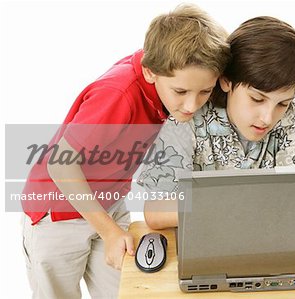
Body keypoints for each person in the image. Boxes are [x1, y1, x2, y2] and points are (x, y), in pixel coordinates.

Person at [21, 4, 230, 299]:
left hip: (109, 202)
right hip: (57, 215)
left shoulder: (168, 68)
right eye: (181, 92)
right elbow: (60, 165)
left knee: (125, 289)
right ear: (149, 72)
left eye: (204, 92)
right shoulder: (117, 96)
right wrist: (108, 231)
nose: (192, 105)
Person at [138, 16, 295, 230]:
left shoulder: (291, 118)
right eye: (257, 99)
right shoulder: (188, 117)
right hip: (205, 243)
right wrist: (237, 204)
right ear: (226, 82)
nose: (268, 118)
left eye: (283, 103)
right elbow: (156, 211)